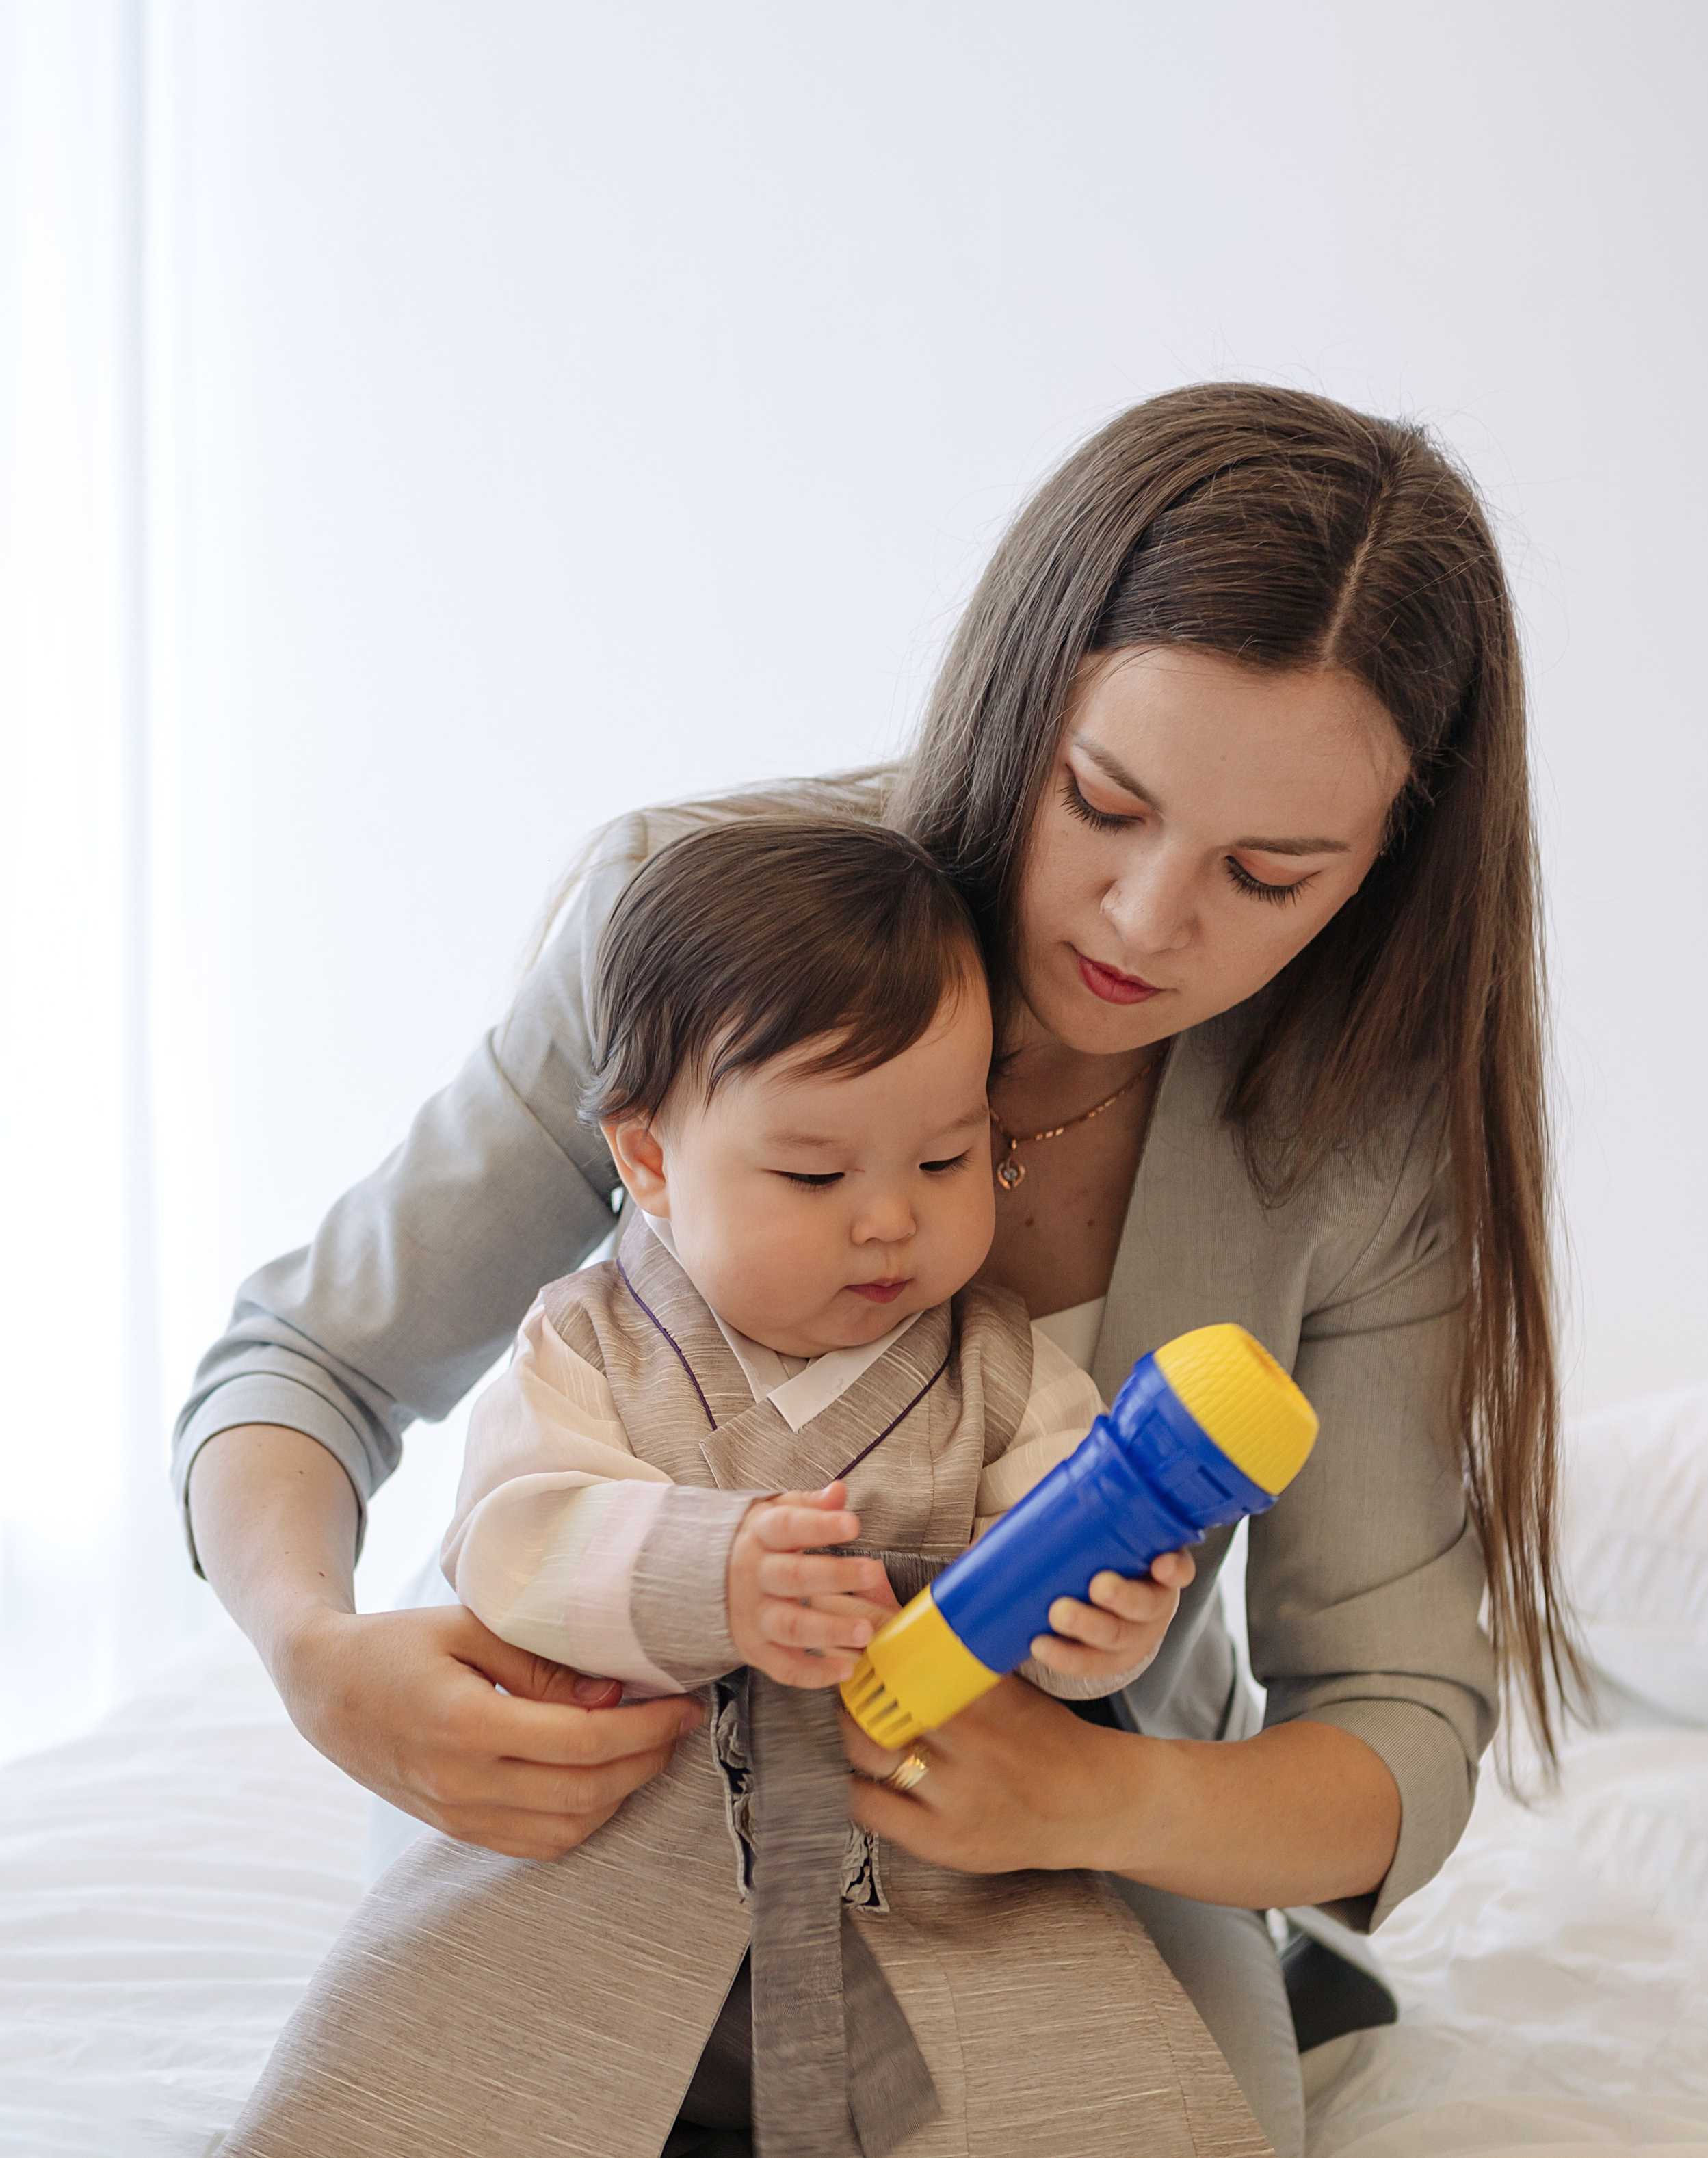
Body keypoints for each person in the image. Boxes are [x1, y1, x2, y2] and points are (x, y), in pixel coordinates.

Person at [179, 383, 1577, 2158]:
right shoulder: (703, 934)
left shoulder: (1355, 1132)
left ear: (1387, 862)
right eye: (1105, 801)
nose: (1148, 920)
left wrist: (1110, 1789)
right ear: (1023, 699)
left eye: (1269, 871)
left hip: (1053, 1830)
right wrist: (320, 1655)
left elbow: (1400, 1726)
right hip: (610, 1794)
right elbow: (308, 1360)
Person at [222, 817, 1251, 2158]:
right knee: (420, 2084)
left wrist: (1094, 1616)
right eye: (814, 1174)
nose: (888, 1219)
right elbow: (518, 1537)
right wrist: (707, 1576)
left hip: (919, 1894)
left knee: (1096, 2096)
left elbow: (1063, 1526)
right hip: (607, 1873)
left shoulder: (995, 1367)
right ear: (647, 1161)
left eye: (944, 1160)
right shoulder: (584, 1347)